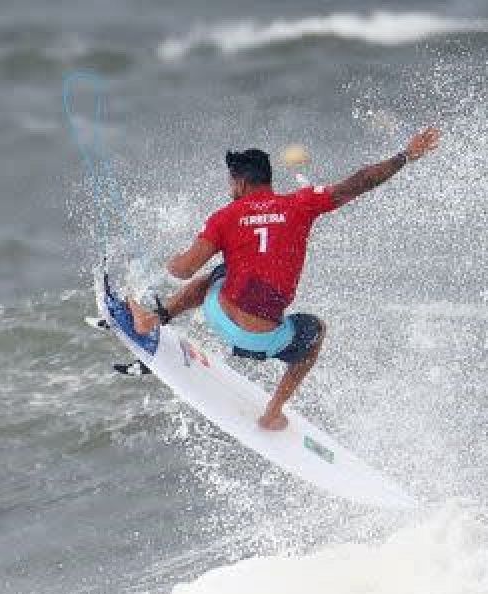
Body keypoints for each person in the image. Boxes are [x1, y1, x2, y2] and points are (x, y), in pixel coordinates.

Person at [129, 127, 442, 430]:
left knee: (217, 275)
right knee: (316, 331)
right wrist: (405, 156)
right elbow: (359, 182)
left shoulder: (225, 216)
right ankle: (273, 413)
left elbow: (183, 270)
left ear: (239, 183)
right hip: (264, 339)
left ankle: (158, 317)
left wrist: (172, 262)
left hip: (218, 315)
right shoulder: (300, 204)